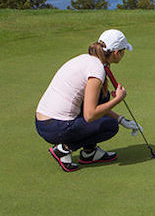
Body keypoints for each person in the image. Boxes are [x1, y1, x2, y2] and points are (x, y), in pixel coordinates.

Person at [35, 29, 141, 172]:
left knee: (103, 97)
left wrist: (122, 120)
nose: (123, 54)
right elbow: (90, 114)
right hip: (56, 127)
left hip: (44, 122)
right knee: (110, 126)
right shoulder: (97, 70)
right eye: (123, 51)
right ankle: (64, 149)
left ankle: (90, 153)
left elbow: (96, 104)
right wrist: (119, 99)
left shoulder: (87, 59)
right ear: (117, 52)